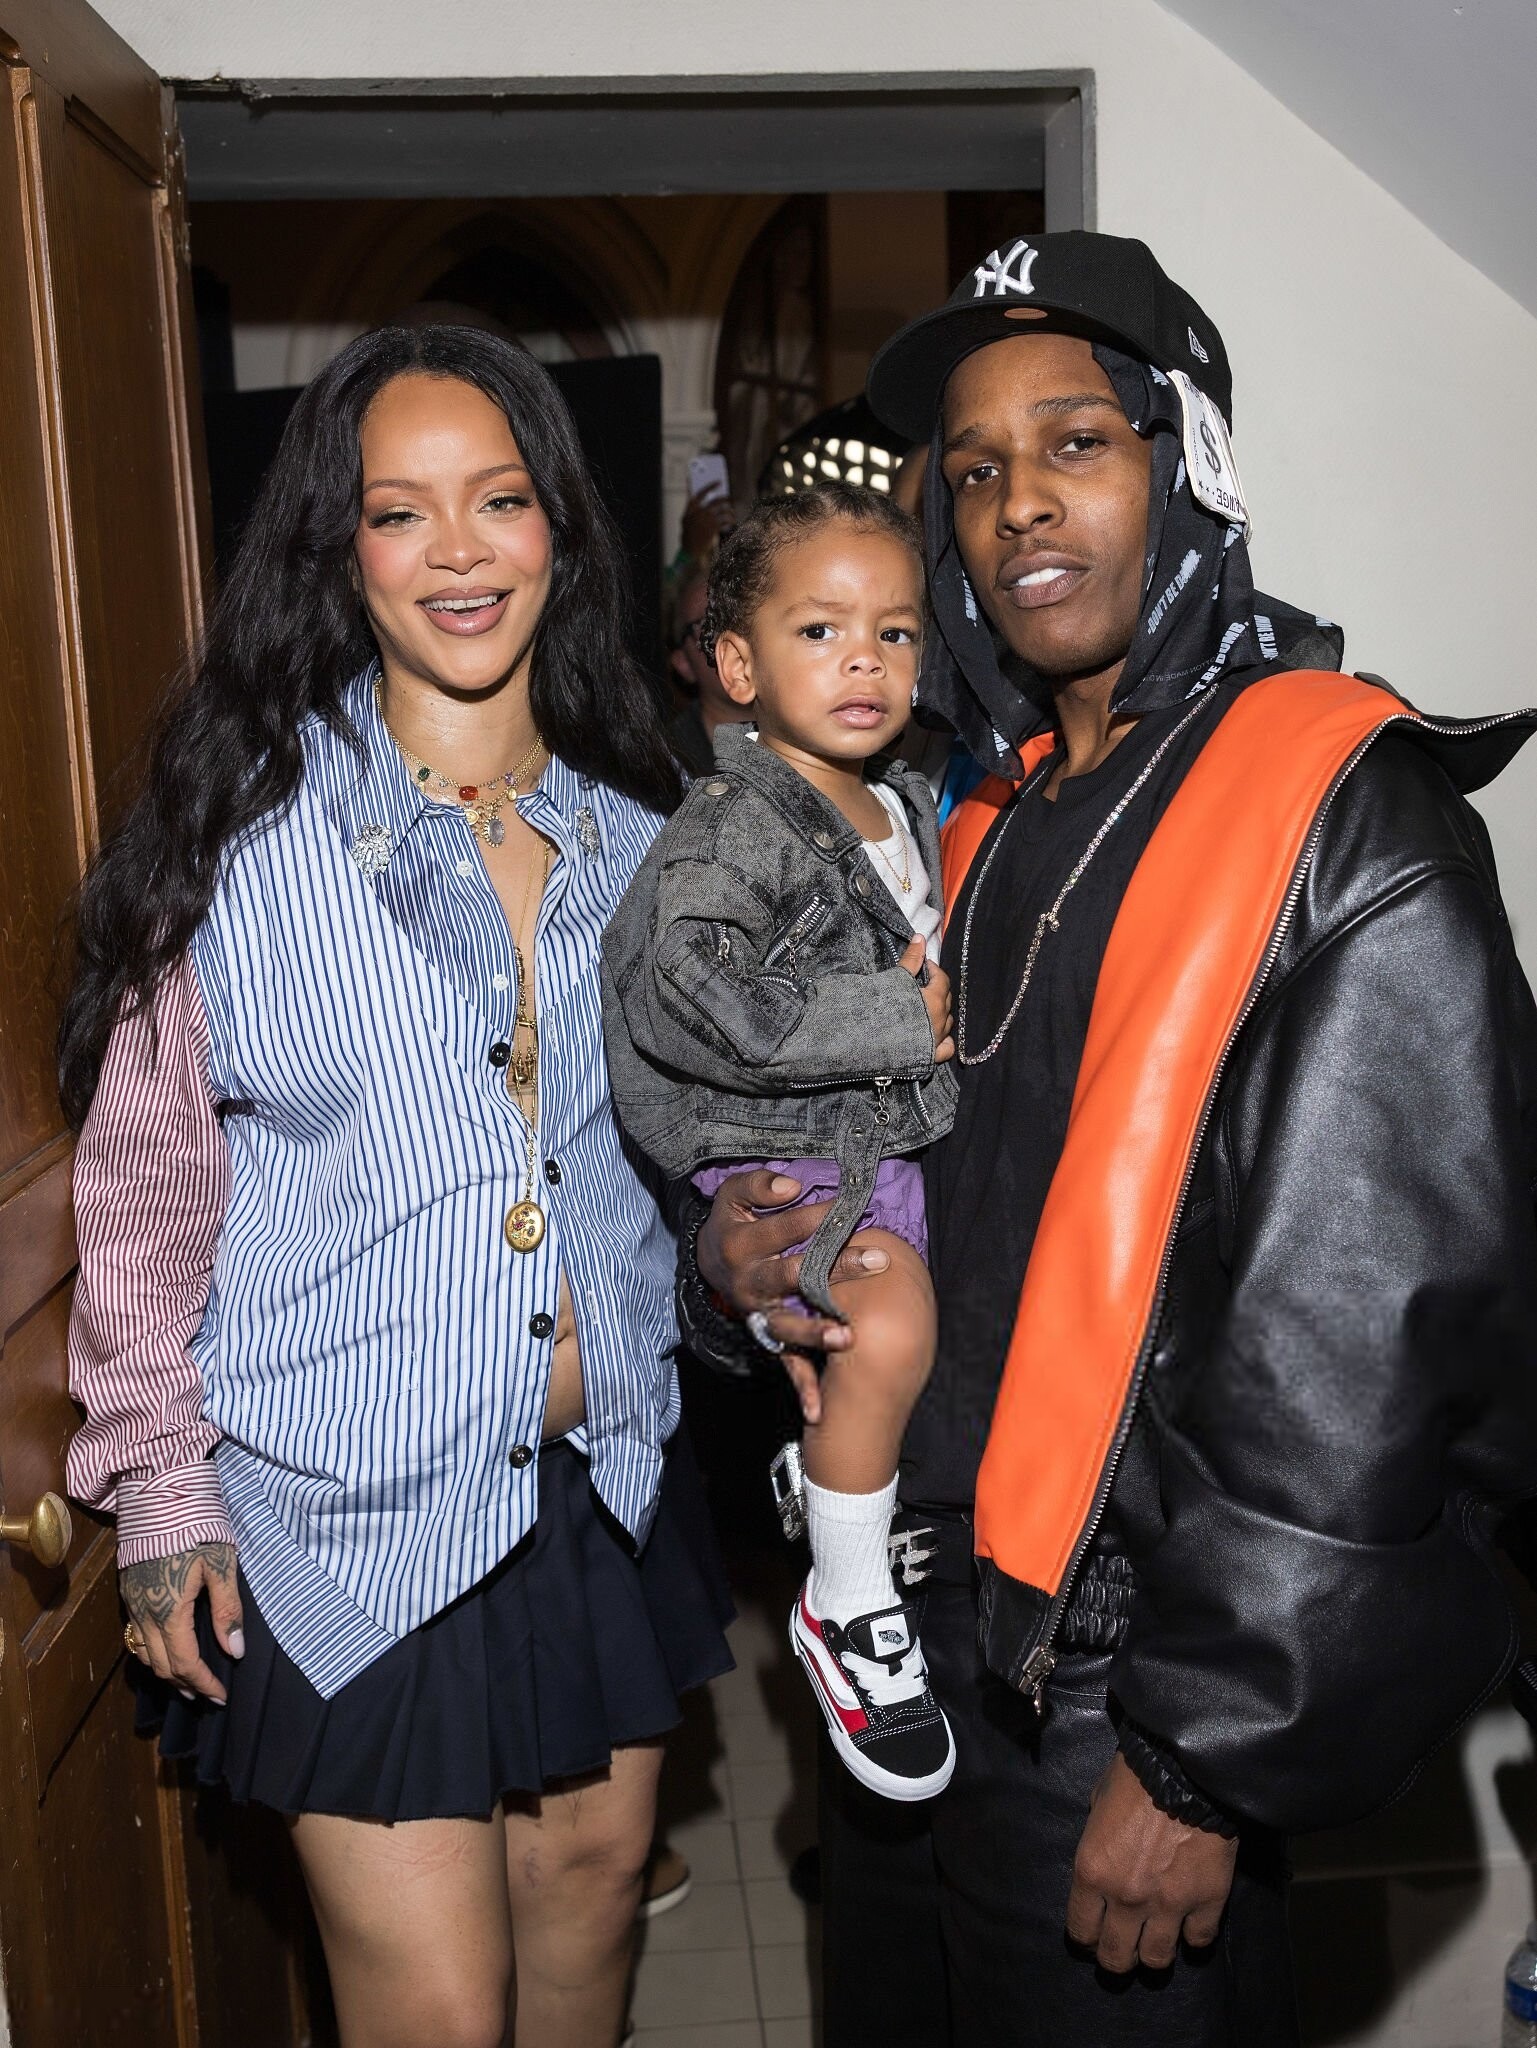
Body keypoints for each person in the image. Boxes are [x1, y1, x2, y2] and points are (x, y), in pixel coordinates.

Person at [679, 230, 1537, 2046]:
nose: (1016, 505)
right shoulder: (970, 817)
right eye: (972, 469)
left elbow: (1371, 1344)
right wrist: (738, 1259)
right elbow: (917, 1187)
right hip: (910, 1645)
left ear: (1186, 466)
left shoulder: (1341, 815)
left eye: (1075, 441)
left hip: (1118, 1695)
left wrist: (1204, 1755)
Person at [61, 324, 733, 2048]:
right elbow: (145, 1193)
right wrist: (163, 1498)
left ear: (560, 528)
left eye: (498, 499)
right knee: (436, 2007)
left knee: (594, 1896)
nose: (456, 551)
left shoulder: (647, 838)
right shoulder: (236, 842)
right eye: (398, 510)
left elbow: (697, 1157)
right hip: (348, 1515)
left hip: (603, 1486)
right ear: (336, 548)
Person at [603, 485, 960, 1800]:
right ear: (738, 666)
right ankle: (845, 1603)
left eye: (894, 632)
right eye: (821, 631)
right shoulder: (730, 824)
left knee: (913, 1344)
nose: (864, 660)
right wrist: (892, 1019)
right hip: (787, 1147)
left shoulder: (904, 802)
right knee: (889, 1326)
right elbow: (686, 990)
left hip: (887, 1137)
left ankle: (837, 1480)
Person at [663, 564, 753, 778]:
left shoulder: (815, 736)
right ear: (683, 663)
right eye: (709, 624)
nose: (733, 632)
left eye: (741, 613)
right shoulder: (668, 765)